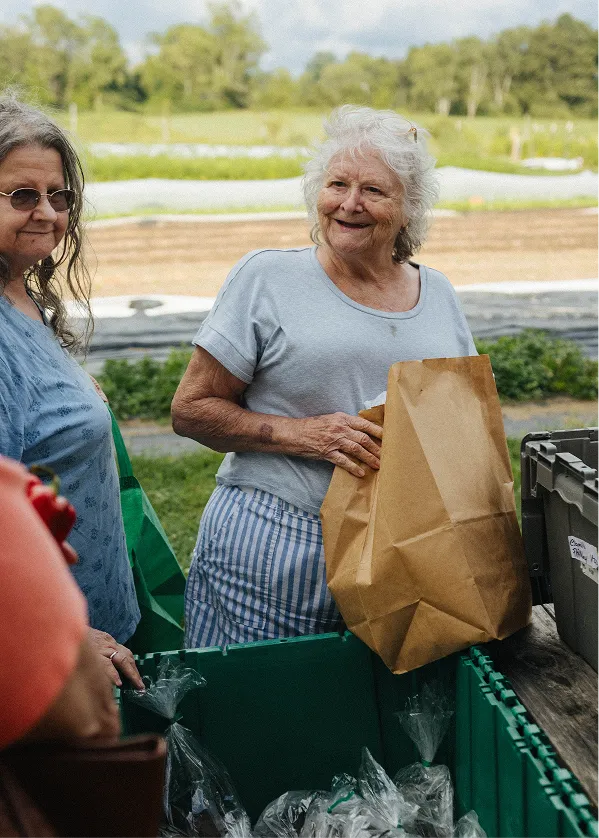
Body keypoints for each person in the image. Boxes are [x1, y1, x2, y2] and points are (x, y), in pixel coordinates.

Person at [172, 105, 478, 649]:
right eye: (337, 184)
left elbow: (461, 425)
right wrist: (307, 435)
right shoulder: (268, 277)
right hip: (279, 543)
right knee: (260, 707)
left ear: (408, 210)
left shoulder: (439, 295)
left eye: (374, 191)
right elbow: (192, 410)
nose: (350, 204)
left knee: (377, 713)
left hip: (402, 547)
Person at [0, 94, 142, 689]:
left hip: (88, 633)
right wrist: (70, 637)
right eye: (22, 195)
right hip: (47, 652)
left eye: (59, 196)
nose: (48, 213)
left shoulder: (21, 294)